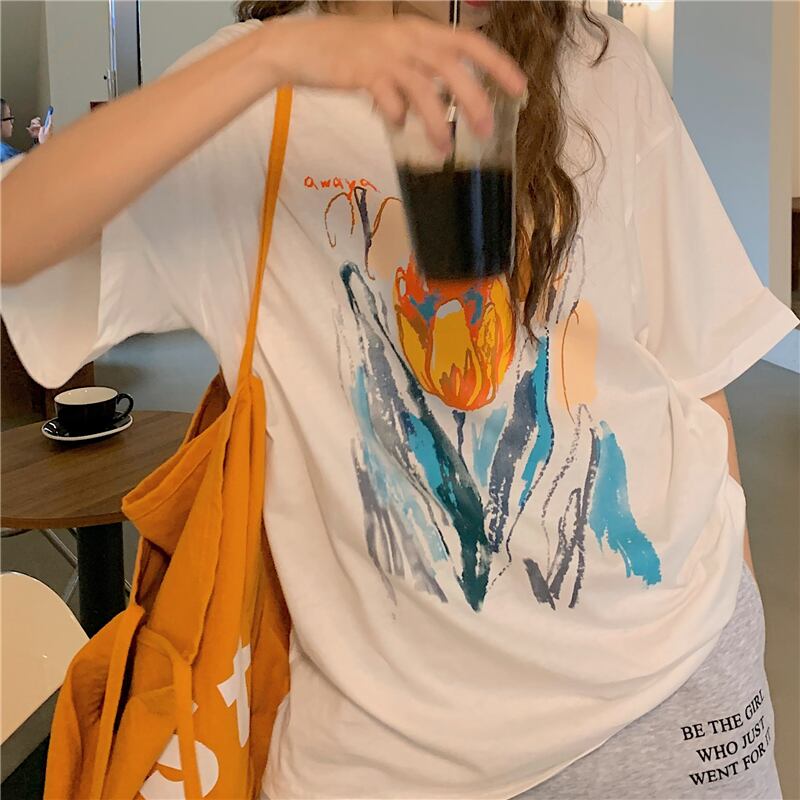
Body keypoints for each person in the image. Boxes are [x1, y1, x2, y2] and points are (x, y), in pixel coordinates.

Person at [1, 2, 797, 798]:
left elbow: (695, 374)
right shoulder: (260, 98)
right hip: (387, 755)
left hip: (677, 683)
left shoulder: (601, 62)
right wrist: (266, 61)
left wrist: (738, 614)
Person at [1, 98, 52, 163]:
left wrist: (37, 140)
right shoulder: (3, 153)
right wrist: (45, 145)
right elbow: (31, 166)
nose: (12, 121)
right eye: (9, 117)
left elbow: (27, 159)